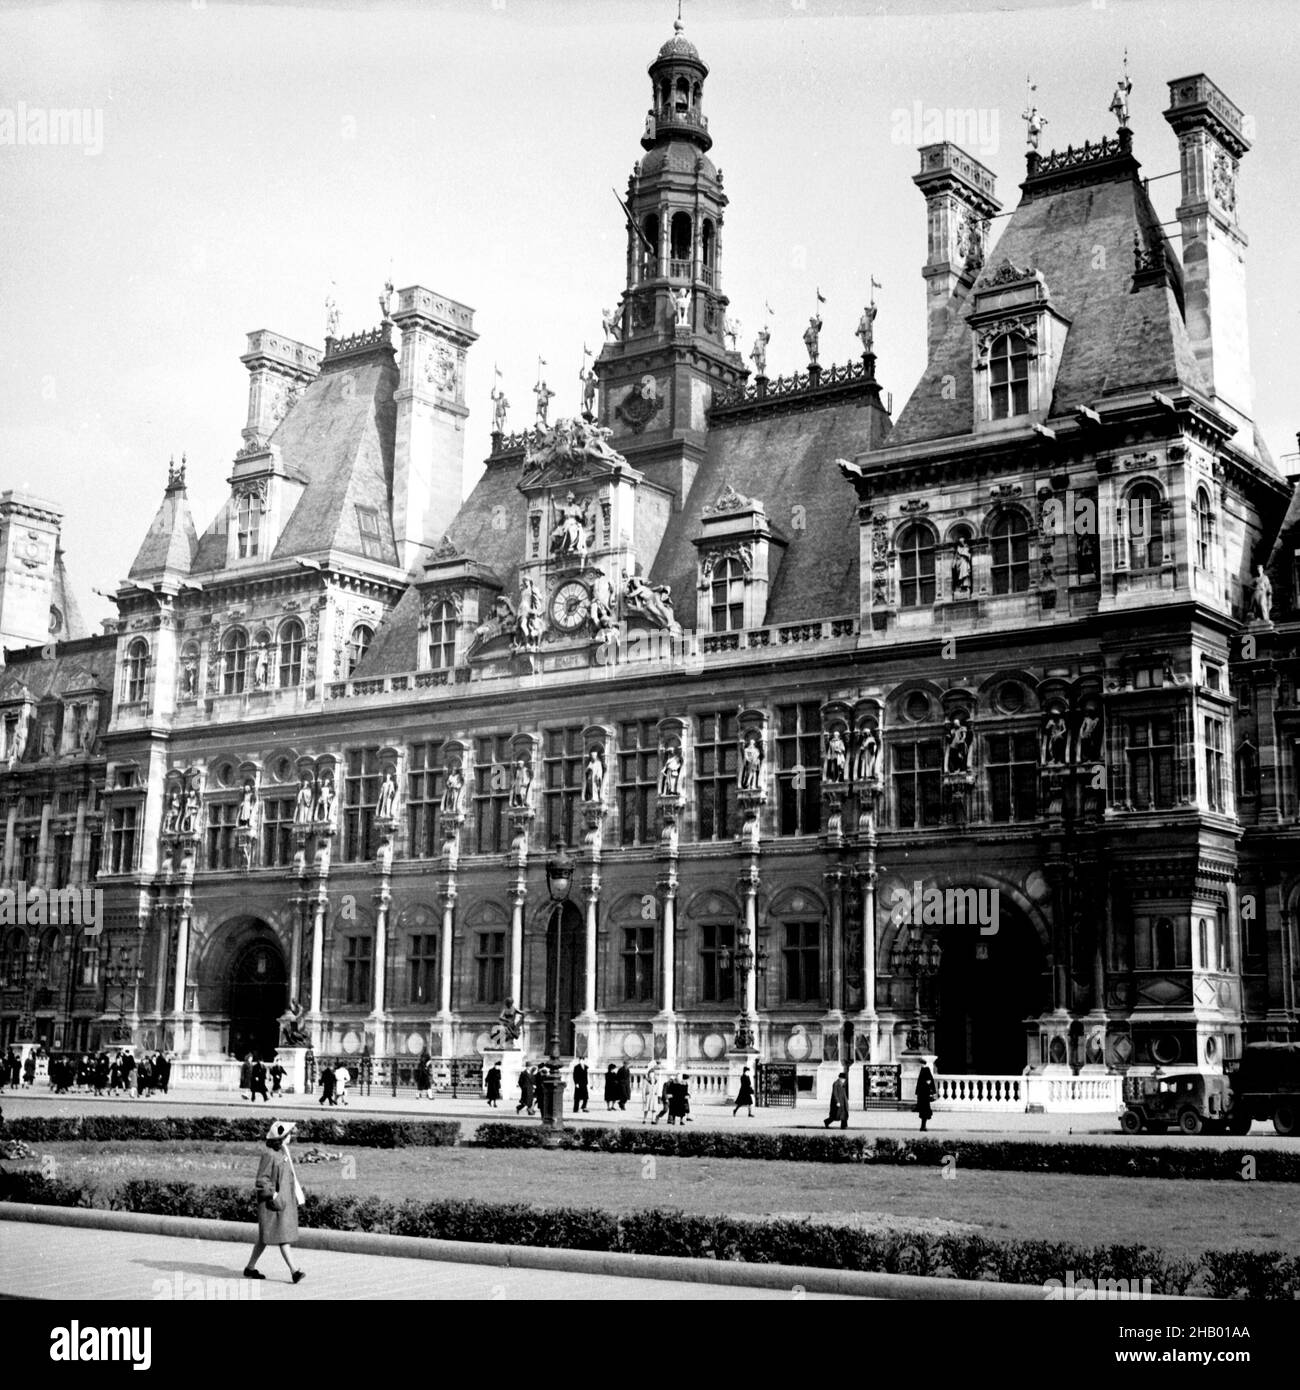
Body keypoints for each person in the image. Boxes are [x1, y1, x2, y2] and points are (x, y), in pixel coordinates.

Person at [245, 1119, 306, 1284]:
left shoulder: (283, 1152)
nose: (291, 1136)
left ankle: (250, 1268)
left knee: (264, 1238)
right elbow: (262, 1179)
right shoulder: (269, 1154)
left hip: (281, 1202)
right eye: (288, 1134)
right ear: (282, 1137)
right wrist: (273, 1195)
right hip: (272, 1203)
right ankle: (295, 1271)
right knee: (282, 1236)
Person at [916, 1062, 935, 1133]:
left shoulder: (925, 1070)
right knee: (924, 1112)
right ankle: (923, 1126)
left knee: (924, 1112)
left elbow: (928, 1082)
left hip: (924, 1096)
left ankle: (923, 1126)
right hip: (924, 1096)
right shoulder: (924, 1070)